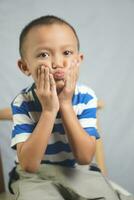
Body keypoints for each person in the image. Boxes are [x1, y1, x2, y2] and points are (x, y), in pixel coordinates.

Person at [9, 15, 133, 200]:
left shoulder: (86, 97)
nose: (57, 63)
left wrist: (65, 104)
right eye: (44, 54)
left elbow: (84, 158)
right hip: (34, 177)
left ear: (79, 59)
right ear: (25, 66)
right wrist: (49, 111)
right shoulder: (23, 102)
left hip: (78, 171)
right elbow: (29, 165)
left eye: (66, 53)